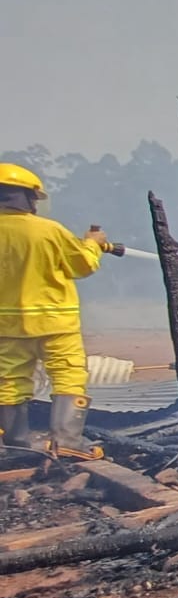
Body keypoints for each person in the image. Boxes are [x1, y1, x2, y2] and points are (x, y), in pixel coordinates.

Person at [0, 163, 112, 459]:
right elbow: (82, 266)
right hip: (56, 323)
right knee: (68, 375)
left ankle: (14, 444)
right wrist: (93, 244)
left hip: (6, 326)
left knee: (9, 381)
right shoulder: (48, 231)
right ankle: (67, 442)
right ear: (27, 197)